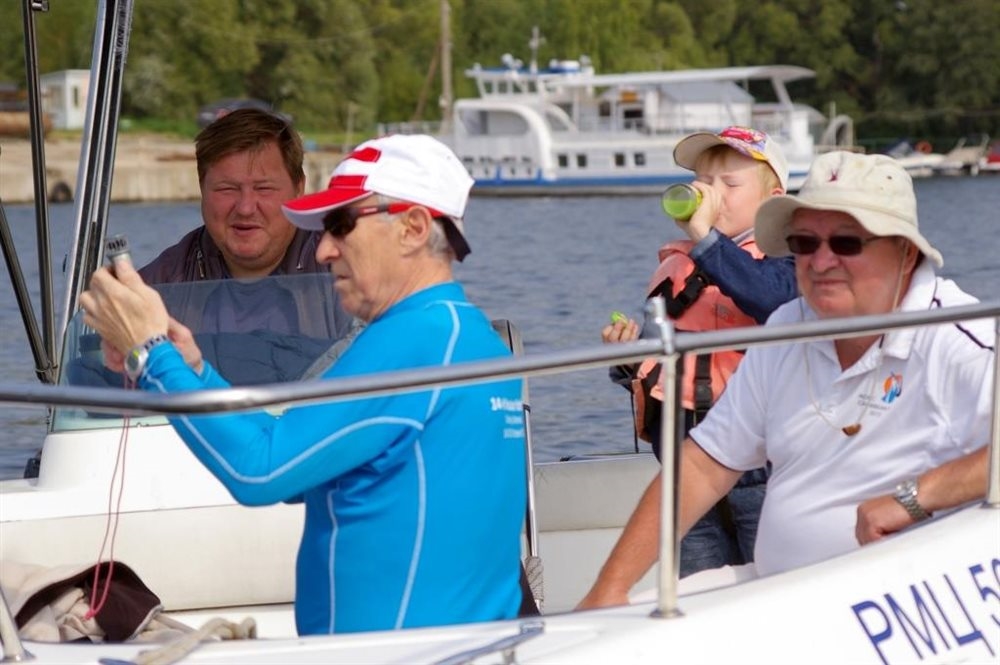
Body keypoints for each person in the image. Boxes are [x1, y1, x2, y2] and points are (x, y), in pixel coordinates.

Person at [80, 134, 528, 635]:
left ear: (413, 228)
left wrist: (149, 353)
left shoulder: (413, 340)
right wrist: (194, 367)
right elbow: (299, 457)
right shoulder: (462, 334)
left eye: (340, 225)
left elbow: (261, 472)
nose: (325, 250)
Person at [579, 151, 993, 608]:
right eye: (804, 243)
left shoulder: (959, 338)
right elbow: (703, 466)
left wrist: (913, 499)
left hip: (905, 605)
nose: (821, 261)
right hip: (784, 592)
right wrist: (608, 588)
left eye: (847, 243)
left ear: (905, 252)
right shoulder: (787, 325)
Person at [603, 126, 797, 578]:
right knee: (698, 588)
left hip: (757, 463)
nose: (711, 194)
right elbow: (657, 368)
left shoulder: (785, 261)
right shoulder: (679, 265)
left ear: (772, 200)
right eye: (704, 182)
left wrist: (706, 238)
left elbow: (770, 300)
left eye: (730, 184)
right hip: (682, 454)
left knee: (772, 578)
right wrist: (628, 357)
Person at [138, 107, 354, 342]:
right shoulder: (156, 287)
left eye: (264, 188)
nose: (245, 208)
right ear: (202, 188)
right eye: (227, 189)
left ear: (299, 189)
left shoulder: (347, 272)